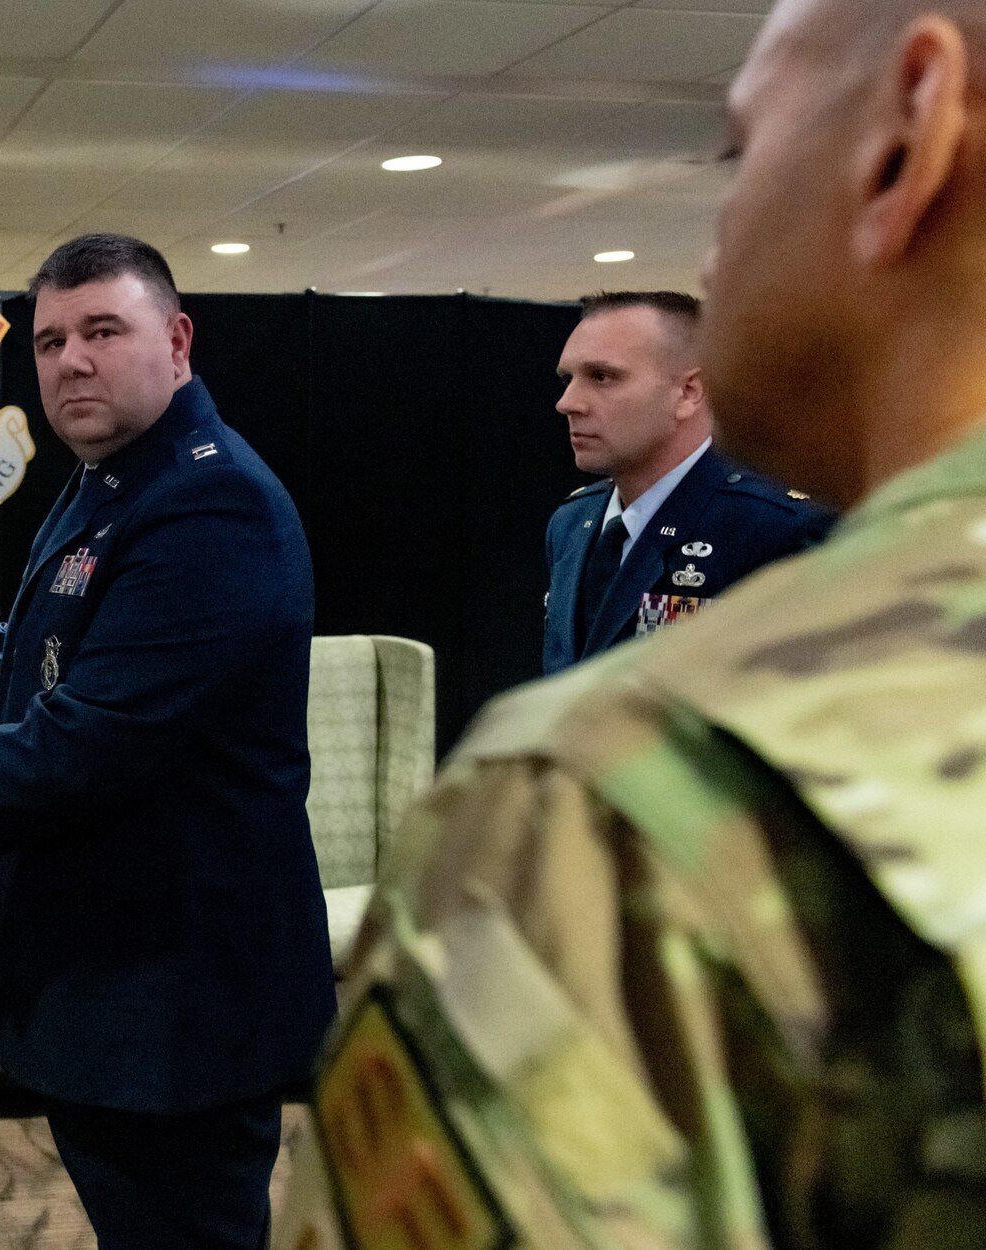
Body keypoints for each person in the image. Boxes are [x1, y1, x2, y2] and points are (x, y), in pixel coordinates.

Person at [297, 1, 986, 1247]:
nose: (715, 246)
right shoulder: (569, 532)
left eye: (735, 155)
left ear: (909, 135)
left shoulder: (609, 809)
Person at [0, 234, 335, 1250]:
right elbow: (48, 666)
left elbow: (83, 743)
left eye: (101, 331)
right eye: (47, 341)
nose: (69, 360)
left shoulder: (208, 505)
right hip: (116, 987)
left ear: (175, 340)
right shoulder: (112, 479)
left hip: (177, 1002)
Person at [543, 290, 831, 674]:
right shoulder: (572, 524)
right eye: (568, 378)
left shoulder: (773, 528)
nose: (568, 402)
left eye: (602, 377)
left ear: (688, 392)